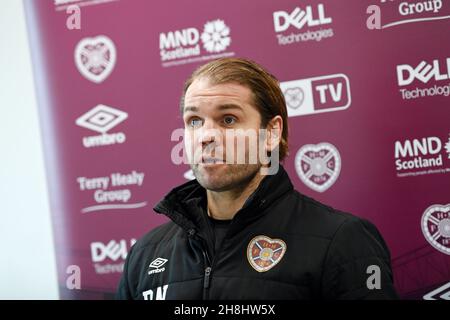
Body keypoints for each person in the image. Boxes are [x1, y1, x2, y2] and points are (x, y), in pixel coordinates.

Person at [116, 58, 398, 300]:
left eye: (228, 119)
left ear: (271, 133)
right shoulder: (145, 253)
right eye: (194, 121)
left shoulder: (342, 239)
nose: (205, 136)